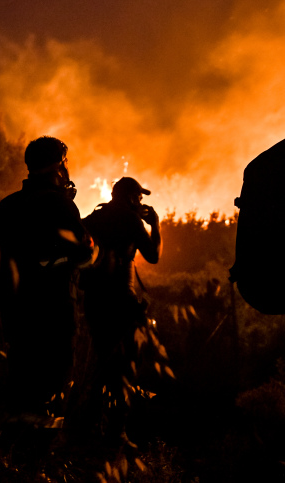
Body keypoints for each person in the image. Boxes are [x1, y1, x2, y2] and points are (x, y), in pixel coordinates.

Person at [0, 136, 93, 426]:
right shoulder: (59, 204)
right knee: (53, 380)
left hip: (17, 310)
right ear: (58, 166)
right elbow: (83, 254)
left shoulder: (10, 205)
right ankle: (36, 453)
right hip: (53, 308)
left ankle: (16, 452)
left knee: (22, 377)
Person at [79, 176, 161, 439]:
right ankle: (117, 432)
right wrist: (155, 224)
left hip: (94, 300)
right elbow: (153, 255)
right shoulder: (131, 220)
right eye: (138, 197)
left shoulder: (94, 218)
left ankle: (88, 426)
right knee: (123, 367)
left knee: (101, 362)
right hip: (121, 302)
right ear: (130, 197)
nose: (140, 202)